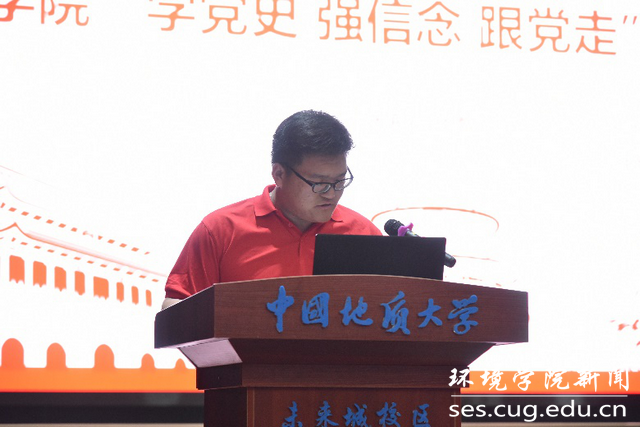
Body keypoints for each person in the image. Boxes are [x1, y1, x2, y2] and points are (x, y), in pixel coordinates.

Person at [162, 110, 381, 309]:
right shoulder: (220, 230)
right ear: (279, 174)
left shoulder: (363, 234)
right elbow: (175, 305)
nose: (331, 194)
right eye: (319, 183)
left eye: (340, 181)